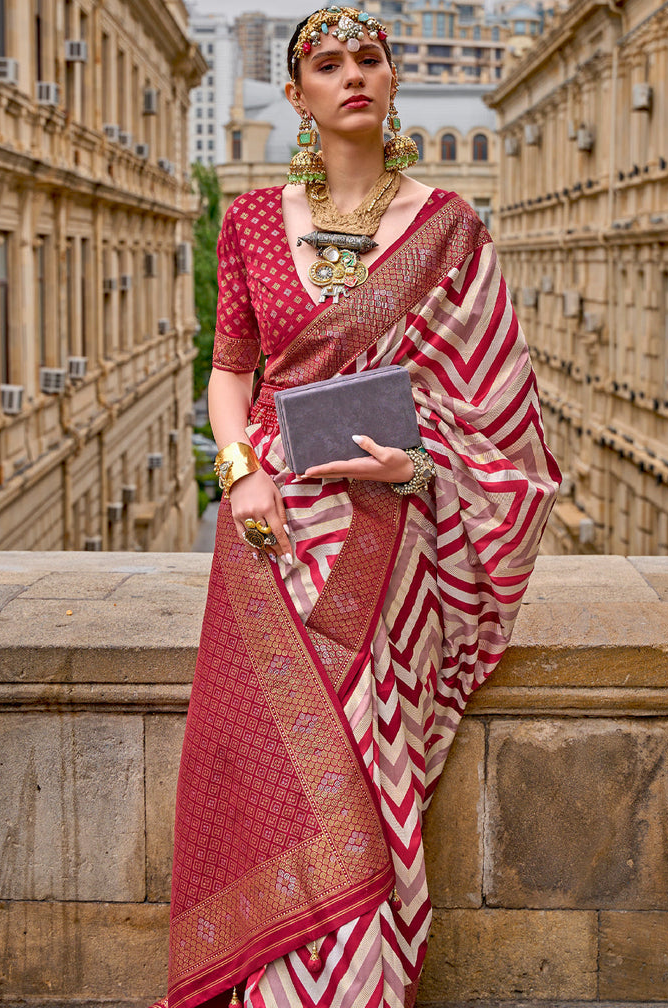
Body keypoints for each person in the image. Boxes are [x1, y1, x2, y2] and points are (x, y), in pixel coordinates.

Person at [158, 7, 561, 1008]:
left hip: (396, 545)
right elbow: (230, 371)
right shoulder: (251, 218)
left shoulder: (449, 227)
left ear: (393, 82)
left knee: (373, 768)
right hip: (273, 535)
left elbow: (499, 407)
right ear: (295, 95)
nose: (351, 76)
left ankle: (361, 988)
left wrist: (419, 466)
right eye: (326, 64)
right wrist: (241, 471)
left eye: (368, 60)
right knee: (274, 769)